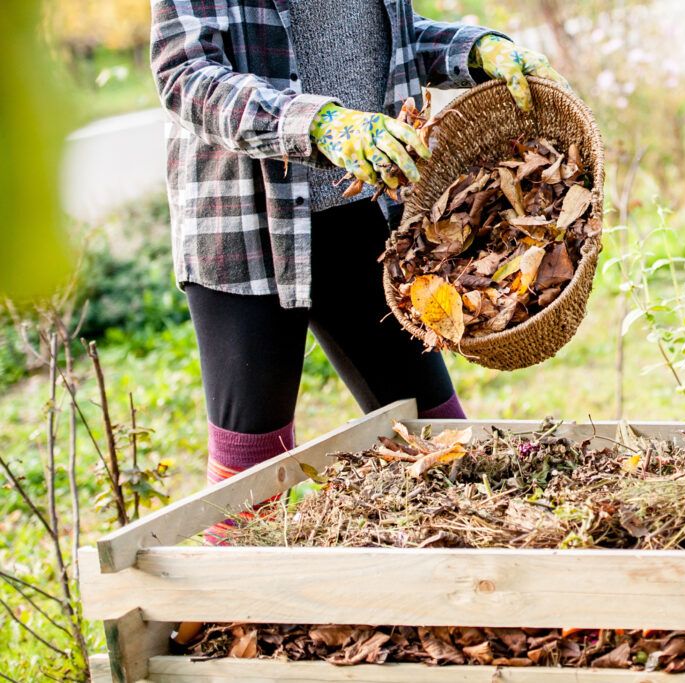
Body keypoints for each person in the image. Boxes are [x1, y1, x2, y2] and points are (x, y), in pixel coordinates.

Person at [149, 0, 567, 539]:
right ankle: (225, 618)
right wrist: (319, 124)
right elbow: (185, 77)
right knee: (251, 472)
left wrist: (478, 50)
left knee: (434, 433)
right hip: (250, 228)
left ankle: (472, 589)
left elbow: (392, 43)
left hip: (364, 219)